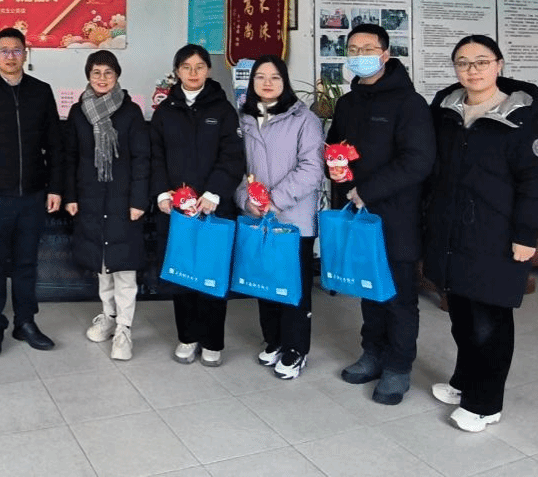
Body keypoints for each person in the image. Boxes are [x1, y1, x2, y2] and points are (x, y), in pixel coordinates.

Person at [423, 35, 538, 432]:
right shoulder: (446, 112)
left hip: (498, 235)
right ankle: (465, 381)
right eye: (463, 62)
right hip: (452, 232)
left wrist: (526, 235)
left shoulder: (521, 119)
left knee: (489, 322)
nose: (472, 70)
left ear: (499, 65)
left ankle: (485, 404)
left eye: (481, 61)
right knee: (462, 316)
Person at [327, 22, 434, 405]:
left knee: (398, 297)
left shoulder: (409, 103)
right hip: (357, 215)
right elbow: (335, 148)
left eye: (368, 48)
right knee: (368, 290)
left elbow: (418, 161)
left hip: (396, 217)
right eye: (353, 50)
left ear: (386, 54)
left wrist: (367, 191)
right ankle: (372, 353)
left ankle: (398, 367)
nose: (360, 56)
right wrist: (335, 169)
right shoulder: (348, 103)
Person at [0, 27, 64, 357]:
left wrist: (55, 187)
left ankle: (25, 322)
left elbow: (56, 145)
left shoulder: (41, 92)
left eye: (16, 50)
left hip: (34, 195)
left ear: (25, 54)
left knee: (26, 264)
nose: (10, 56)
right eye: (4, 51)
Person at [151, 44, 245, 367]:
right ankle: (187, 337)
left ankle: (212, 341)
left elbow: (233, 157)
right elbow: (155, 157)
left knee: (211, 274)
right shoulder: (165, 112)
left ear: (208, 70)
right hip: (177, 210)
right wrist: (162, 194)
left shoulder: (223, 110)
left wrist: (214, 194)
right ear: (177, 72)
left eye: (199, 67)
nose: (193, 73)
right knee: (182, 274)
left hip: (213, 208)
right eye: (186, 67)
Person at [233, 55, 324, 379]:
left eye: (274, 77)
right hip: (259, 217)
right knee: (265, 281)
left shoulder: (304, 119)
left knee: (293, 286)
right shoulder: (244, 119)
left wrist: (275, 200)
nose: (267, 83)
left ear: (284, 81)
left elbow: (312, 168)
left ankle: (296, 349)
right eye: (260, 77)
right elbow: (238, 168)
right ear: (252, 82)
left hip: (294, 219)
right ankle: (274, 340)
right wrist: (246, 200)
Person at [64, 50, 150, 361]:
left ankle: (124, 328)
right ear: (88, 76)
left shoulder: (131, 112)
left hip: (123, 201)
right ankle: (108, 316)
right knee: (102, 266)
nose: (102, 78)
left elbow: (142, 159)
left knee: (124, 268)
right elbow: (70, 157)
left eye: (108, 73)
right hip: (90, 198)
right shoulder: (78, 112)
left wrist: (139, 200)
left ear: (117, 76)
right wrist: (71, 196)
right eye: (96, 72)